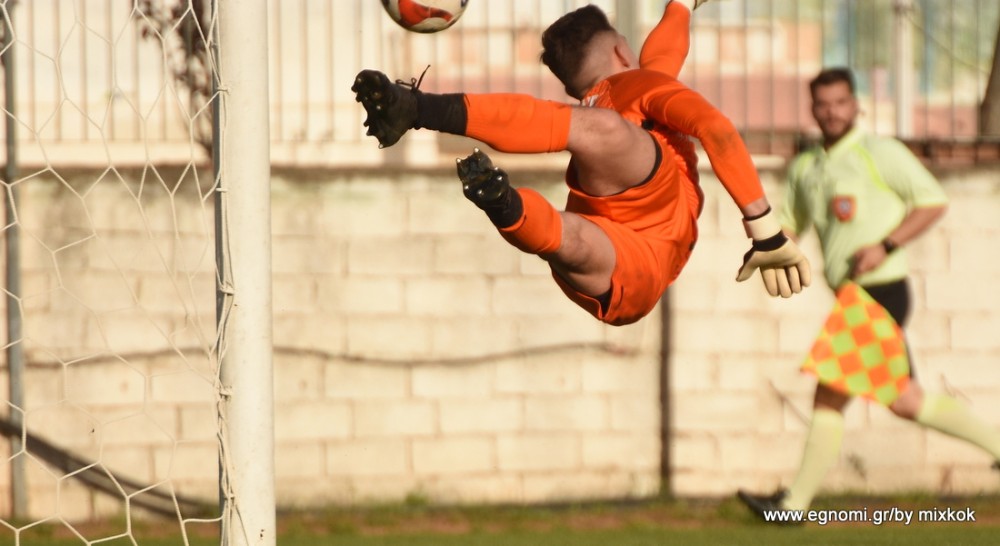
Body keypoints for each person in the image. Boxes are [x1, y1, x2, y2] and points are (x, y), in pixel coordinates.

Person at [352, 0, 810, 326]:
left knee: (571, 238)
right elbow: (718, 129)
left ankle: (503, 203)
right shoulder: (636, 88)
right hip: (649, 225)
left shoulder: (629, 92)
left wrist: (682, 7)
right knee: (597, 157)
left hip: (614, 275)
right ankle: (430, 122)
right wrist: (765, 232)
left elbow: (665, 52)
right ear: (619, 50)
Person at [737, 67, 1000, 521]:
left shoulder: (880, 152)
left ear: (856, 103)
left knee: (828, 394)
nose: (832, 111)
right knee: (906, 400)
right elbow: (792, 227)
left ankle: (794, 506)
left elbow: (933, 201)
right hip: (853, 295)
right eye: (823, 104)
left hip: (882, 289)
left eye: (841, 102)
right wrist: (766, 248)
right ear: (813, 108)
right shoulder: (806, 167)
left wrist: (886, 244)